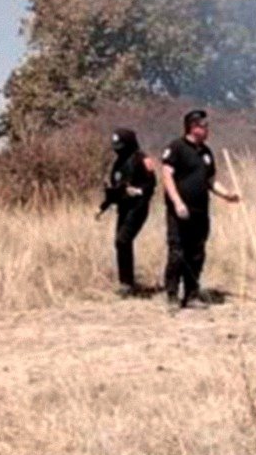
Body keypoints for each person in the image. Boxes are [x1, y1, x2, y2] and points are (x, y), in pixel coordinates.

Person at [160, 109, 240, 309]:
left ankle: (192, 294)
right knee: (177, 252)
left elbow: (210, 181)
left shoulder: (206, 152)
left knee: (196, 253)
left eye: (207, 126)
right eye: (203, 126)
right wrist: (177, 202)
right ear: (193, 127)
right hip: (179, 211)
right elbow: (167, 176)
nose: (207, 129)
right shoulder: (176, 148)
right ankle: (172, 295)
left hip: (200, 212)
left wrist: (227, 195)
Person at [99, 128, 156, 297]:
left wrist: (138, 191)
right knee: (120, 243)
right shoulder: (118, 163)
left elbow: (151, 185)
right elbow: (116, 189)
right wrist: (103, 206)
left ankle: (127, 284)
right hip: (123, 208)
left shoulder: (141, 159)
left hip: (138, 208)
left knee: (123, 240)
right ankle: (126, 282)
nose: (118, 149)